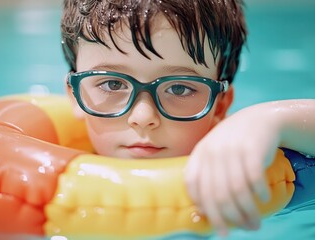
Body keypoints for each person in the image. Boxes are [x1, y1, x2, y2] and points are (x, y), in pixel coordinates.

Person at [60, 0, 315, 236]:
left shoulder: (245, 148)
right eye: (113, 84)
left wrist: (266, 120)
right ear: (74, 96)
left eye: (179, 89)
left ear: (220, 105)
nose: (143, 117)